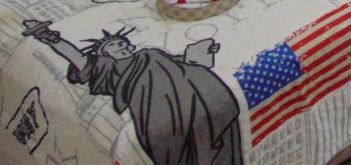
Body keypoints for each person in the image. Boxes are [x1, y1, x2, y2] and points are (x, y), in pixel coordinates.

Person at [22, 20, 241, 165]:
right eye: (112, 46)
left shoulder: (149, 53)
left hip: (194, 97)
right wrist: (48, 36)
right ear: (104, 54)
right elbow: (77, 57)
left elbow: (181, 63)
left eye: (121, 42)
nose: (120, 45)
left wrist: (200, 53)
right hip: (156, 108)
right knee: (176, 150)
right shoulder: (107, 67)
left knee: (210, 143)